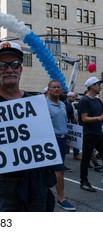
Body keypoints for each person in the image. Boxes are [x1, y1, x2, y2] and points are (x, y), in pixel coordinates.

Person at [0, 41, 56, 212]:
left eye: (15, 64)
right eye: (2, 65)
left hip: (34, 184)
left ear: (21, 69)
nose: (9, 69)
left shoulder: (36, 103)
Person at [46, 80, 76, 211]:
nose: (57, 89)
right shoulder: (44, 104)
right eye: (54, 87)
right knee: (58, 170)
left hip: (63, 140)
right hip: (52, 141)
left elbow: (64, 122)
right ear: (49, 89)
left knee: (59, 170)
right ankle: (61, 198)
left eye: (59, 87)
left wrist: (68, 137)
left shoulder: (63, 104)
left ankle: (46, 193)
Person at [78, 76, 103, 192]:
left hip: (98, 133)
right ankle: (84, 182)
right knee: (86, 159)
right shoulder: (84, 100)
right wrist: (99, 118)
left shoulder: (98, 101)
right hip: (89, 134)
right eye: (98, 84)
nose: (100, 87)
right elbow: (84, 118)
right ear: (92, 86)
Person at [66, 91, 81, 160]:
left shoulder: (72, 104)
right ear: (68, 96)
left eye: (74, 97)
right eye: (73, 97)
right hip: (69, 125)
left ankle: (76, 154)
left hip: (73, 124)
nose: (74, 98)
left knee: (75, 139)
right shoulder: (66, 104)